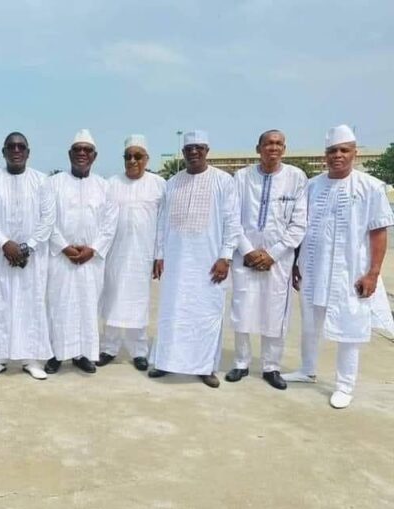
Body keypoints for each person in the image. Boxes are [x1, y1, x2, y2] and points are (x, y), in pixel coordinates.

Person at [284, 125, 394, 409]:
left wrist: (372, 273)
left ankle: (345, 385)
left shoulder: (370, 187)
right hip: (314, 267)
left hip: (351, 272)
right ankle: (307, 370)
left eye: (344, 150)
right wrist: (297, 262)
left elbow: (378, 232)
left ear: (354, 154)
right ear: (325, 155)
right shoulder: (312, 185)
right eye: (332, 151)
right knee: (310, 322)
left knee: (349, 327)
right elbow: (301, 226)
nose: (338, 155)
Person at [149, 130, 239, 388]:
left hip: (208, 261)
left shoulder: (223, 181)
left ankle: (205, 367)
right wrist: (159, 254)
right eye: (189, 149)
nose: (194, 153)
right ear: (184, 153)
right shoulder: (172, 182)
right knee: (171, 313)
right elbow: (162, 223)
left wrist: (226, 256)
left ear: (207, 150)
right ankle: (165, 362)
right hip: (176, 262)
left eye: (199, 148)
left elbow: (232, 222)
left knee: (206, 314)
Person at [225, 130, 307, 390]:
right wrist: (248, 250)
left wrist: (273, 254)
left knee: (275, 314)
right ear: (258, 148)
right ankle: (241, 362)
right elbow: (232, 218)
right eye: (268, 144)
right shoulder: (242, 177)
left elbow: (299, 224)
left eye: (278, 144)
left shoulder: (296, 178)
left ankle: (271, 367)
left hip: (278, 261)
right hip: (245, 258)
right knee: (242, 310)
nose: (273, 148)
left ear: (284, 148)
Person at [0, 132, 55, 380]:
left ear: (28, 152)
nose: (16, 150)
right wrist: (4, 243)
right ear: (3, 152)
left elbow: (48, 219)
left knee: (31, 305)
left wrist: (27, 247)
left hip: (32, 258)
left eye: (21, 146)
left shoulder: (42, 182)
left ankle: (31, 360)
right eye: (11, 146)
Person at [45, 129, 118, 375]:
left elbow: (110, 224)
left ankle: (83, 354)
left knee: (87, 306)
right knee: (58, 305)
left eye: (87, 150)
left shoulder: (104, 186)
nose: (82, 154)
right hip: (61, 258)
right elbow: (46, 220)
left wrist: (93, 249)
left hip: (90, 260)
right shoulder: (53, 183)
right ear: (69, 154)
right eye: (78, 150)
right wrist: (63, 246)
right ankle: (56, 353)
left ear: (95, 156)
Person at [98, 135, 165, 371]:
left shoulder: (158, 184)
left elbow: (162, 223)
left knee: (139, 302)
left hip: (143, 254)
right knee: (113, 299)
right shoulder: (112, 183)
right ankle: (109, 348)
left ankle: (139, 351)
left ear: (147, 158)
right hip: (115, 253)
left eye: (138, 156)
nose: (133, 160)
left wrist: (159, 254)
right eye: (128, 156)